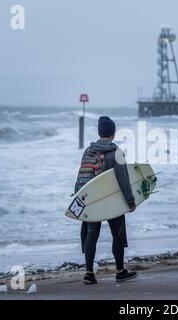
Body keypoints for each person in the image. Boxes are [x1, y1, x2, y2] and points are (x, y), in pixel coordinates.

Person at [75, 116, 137, 285]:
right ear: (113, 133)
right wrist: (130, 202)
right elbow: (123, 180)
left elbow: (80, 179)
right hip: (110, 199)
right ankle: (120, 271)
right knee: (117, 234)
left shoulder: (88, 151)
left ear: (99, 132)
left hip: (92, 200)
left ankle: (89, 273)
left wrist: (78, 201)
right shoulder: (116, 152)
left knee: (91, 234)